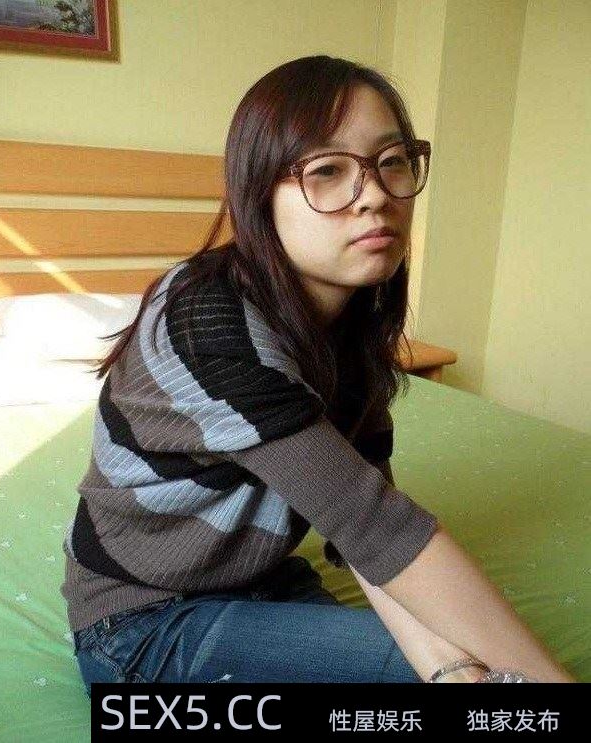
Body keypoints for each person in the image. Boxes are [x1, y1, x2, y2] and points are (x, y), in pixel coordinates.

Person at [62, 56, 576, 695]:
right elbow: (375, 525)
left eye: (392, 161)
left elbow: (362, 521)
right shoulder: (207, 327)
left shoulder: (348, 319)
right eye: (328, 170)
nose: (376, 195)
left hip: (266, 582)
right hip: (143, 624)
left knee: (475, 673)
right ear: (259, 194)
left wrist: (448, 666)